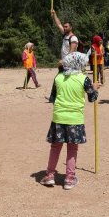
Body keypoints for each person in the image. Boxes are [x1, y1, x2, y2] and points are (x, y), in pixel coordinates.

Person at [40, 52, 98, 190]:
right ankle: (69, 178)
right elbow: (92, 97)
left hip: (59, 117)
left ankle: (49, 175)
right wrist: (95, 88)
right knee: (72, 148)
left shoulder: (58, 77)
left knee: (55, 147)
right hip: (75, 119)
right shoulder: (84, 79)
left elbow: (52, 98)